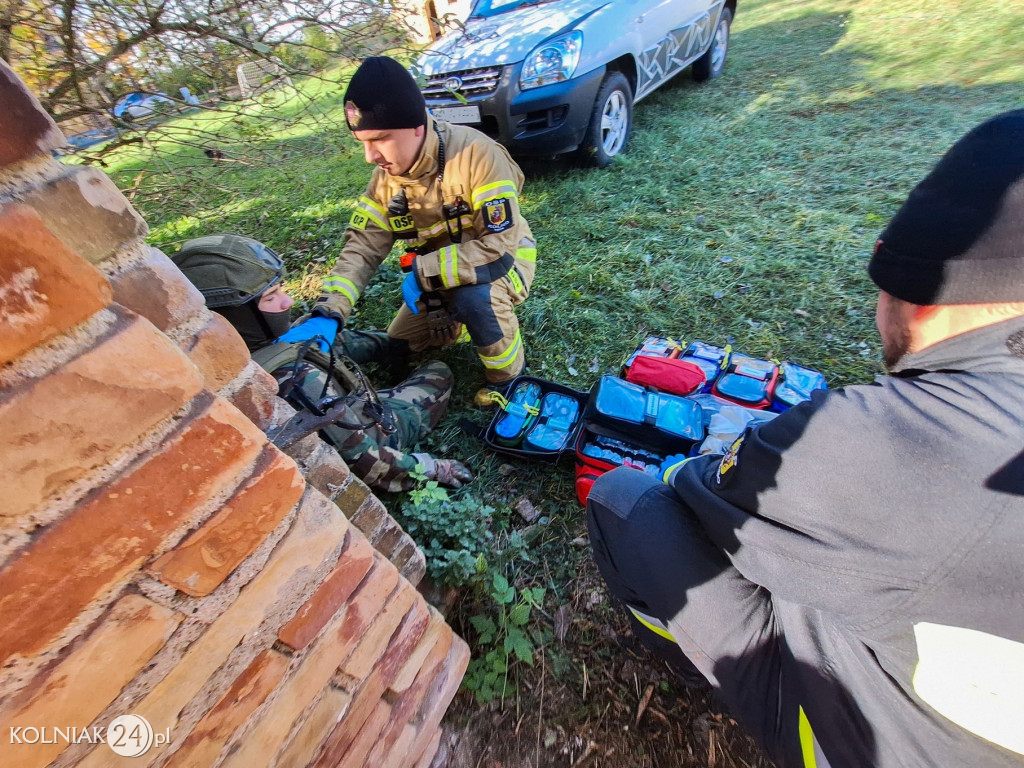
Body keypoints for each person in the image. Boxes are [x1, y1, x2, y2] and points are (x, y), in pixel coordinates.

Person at [586, 109, 1024, 768]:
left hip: (882, 747)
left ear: (920, 296)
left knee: (626, 497)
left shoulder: (881, 438)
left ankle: (684, 657)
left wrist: (694, 469)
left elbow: (701, 491)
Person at [278, 56, 538, 396]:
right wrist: (329, 310)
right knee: (400, 344)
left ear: (417, 125)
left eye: (380, 139)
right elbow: (362, 247)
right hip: (436, 276)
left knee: (475, 299)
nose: (369, 156)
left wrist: (422, 273)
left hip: (501, 265)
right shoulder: (385, 180)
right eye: (363, 143)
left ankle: (508, 381)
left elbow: (497, 250)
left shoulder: (478, 155)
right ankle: (448, 316)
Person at [171, 233, 473, 492]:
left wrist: (396, 342)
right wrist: (431, 468)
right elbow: (368, 460)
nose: (287, 301)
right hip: (377, 427)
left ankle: (398, 348)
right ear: (237, 315)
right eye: (271, 297)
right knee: (438, 371)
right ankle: (403, 357)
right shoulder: (296, 380)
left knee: (323, 337)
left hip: (338, 392)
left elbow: (325, 342)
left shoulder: (233, 356)